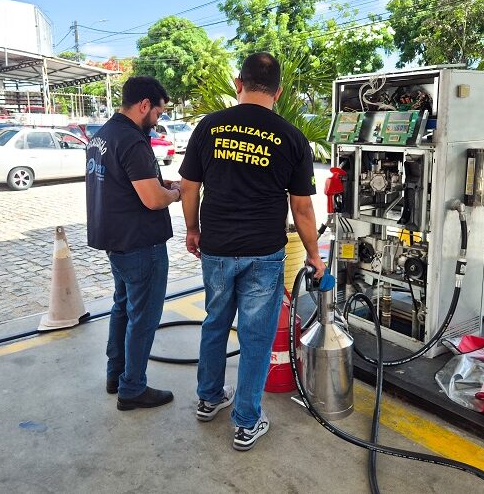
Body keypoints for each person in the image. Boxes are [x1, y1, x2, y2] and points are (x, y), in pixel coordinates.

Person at [179, 52, 326, 451]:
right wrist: (314, 256)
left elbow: (189, 187)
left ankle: (209, 399)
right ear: (279, 91)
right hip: (264, 251)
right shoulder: (292, 137)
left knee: (214, 322)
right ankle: (246, 420)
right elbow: (302, 207)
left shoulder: (208, 127)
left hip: (217, 246)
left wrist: (193, 229)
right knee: (256, 337)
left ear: (238, 84)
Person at [86, 75, 181, 411]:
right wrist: (175, 191)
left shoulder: (102, 136)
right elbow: (154, 200)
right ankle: (133, 388)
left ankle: (116, 375)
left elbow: (124, 183)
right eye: (157, 113)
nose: (157, 122)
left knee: (123, 308)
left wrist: (158, 181)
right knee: (144, 317)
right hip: (142, 244)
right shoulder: (133, 141)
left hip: (117, 242)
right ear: (144, 105)